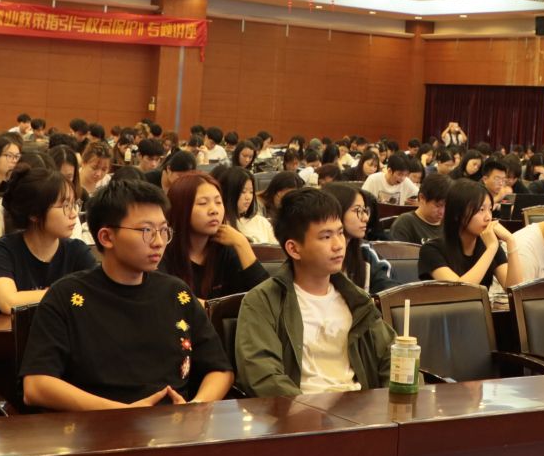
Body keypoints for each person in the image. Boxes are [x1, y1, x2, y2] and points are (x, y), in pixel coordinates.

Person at [19, 177, 233, 410]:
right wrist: (123, 413)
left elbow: (220, 369)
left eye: (163, 230)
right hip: (96, 425)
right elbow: (36, 386)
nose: (159, 242)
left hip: (174, 423)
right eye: (146, 230)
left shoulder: (176, 293)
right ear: (106, 237)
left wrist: (195, 407)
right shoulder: (67, 296)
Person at [235, 187, 395, 397]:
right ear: (294, 249)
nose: (338, 245)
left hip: (359, 407)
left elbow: (392, 357)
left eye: (340, 233)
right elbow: (263, 376)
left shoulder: (356, 299)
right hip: (298, 410)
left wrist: (395, 402)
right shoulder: (263, 301)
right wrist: (309, 410)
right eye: (326, 236)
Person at [0, 163, 96, 316]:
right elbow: (8, 302)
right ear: (35, 214)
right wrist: (65, 293)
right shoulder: (2, 250)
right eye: (65, 206)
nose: (74, 214)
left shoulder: (78, 251)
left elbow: (95, 296)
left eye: (74, 204)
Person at [160, 170, 269, 300]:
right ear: (181, 208)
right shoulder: (162, 251)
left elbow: (267, 298)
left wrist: (242, 243)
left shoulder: (225, 249)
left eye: (218, 202)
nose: (214, 210)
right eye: (203, 203)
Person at [418, 177, 517, 289]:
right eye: (481, 210)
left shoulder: (489, 245)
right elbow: (461, 291)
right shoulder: (431, 250)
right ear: (457, 214)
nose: (488, 217)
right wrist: (491, 249)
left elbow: (514, 290)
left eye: (490, 209)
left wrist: (511, 241)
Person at [322, 182, 394, 292]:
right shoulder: (317, 253)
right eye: (357, 210)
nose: (365, 218)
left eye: (364, 210)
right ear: (336, 211)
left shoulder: (365, 252)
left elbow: (388, 289)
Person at [389, 172, 450, 245]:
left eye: (447, 206)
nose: (442, 212)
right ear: (422, 198)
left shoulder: (450, 224)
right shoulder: (405, 223)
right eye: (438, 205)